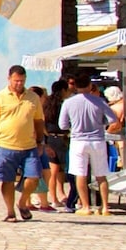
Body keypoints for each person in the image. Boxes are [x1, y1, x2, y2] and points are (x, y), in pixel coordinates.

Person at [0, 65, 45, 223]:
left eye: (22, 81)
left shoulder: (33, 97)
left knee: (34, 177)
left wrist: (40, 141)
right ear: (9, 79)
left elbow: (38, 121)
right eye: (16, 80)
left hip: (29, 146)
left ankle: (23, 202)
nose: (19, 84)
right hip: (6, 146)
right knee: (7, 179)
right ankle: (10, 212)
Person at [58, 74, 115, 216]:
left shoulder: (68, 103)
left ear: (75, 86)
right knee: (101, 175)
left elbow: (63, 125)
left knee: (80, 174)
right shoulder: (100, 102)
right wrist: (100, 122)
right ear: (90, 85)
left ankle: (85, 206)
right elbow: (112, 119)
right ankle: (105, 206)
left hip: (78, 140)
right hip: (97, 140)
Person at [37, 80, 71, 213]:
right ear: (63, 90)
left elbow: (43, 121)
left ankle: (55, 197)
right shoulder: (64, 104)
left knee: (54, 170)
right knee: (57, 170)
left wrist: (46, 135)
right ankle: (56, 196)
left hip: (51, 137)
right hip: (62, 137)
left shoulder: (47, 104)